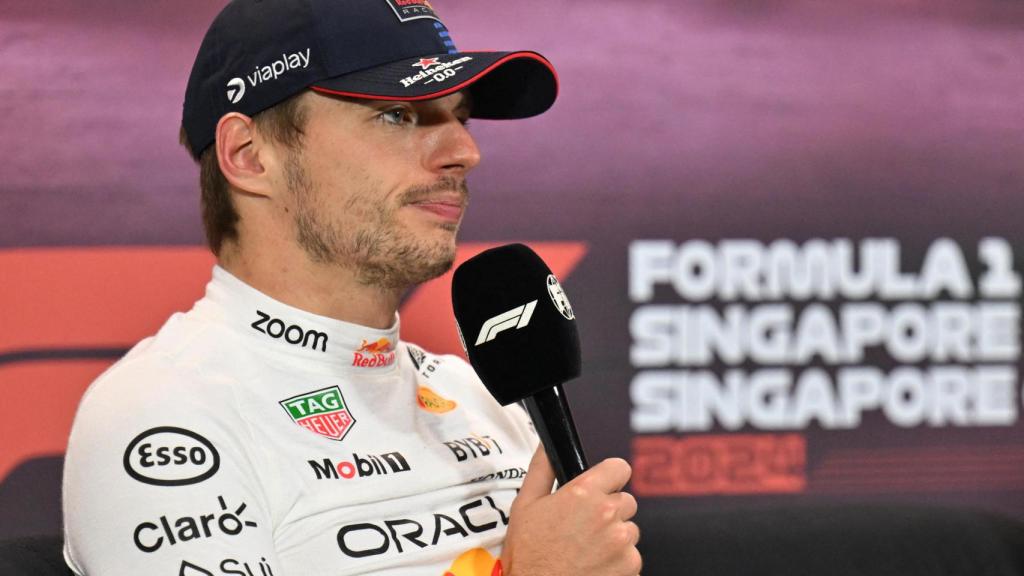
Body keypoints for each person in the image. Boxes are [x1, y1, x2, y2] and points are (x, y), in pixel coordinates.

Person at [61, 1, 641, 574]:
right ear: (249, 154)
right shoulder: (161, 416)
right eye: (397, 115)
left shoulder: (480, 400)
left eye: (459, 116)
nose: (466, 153)